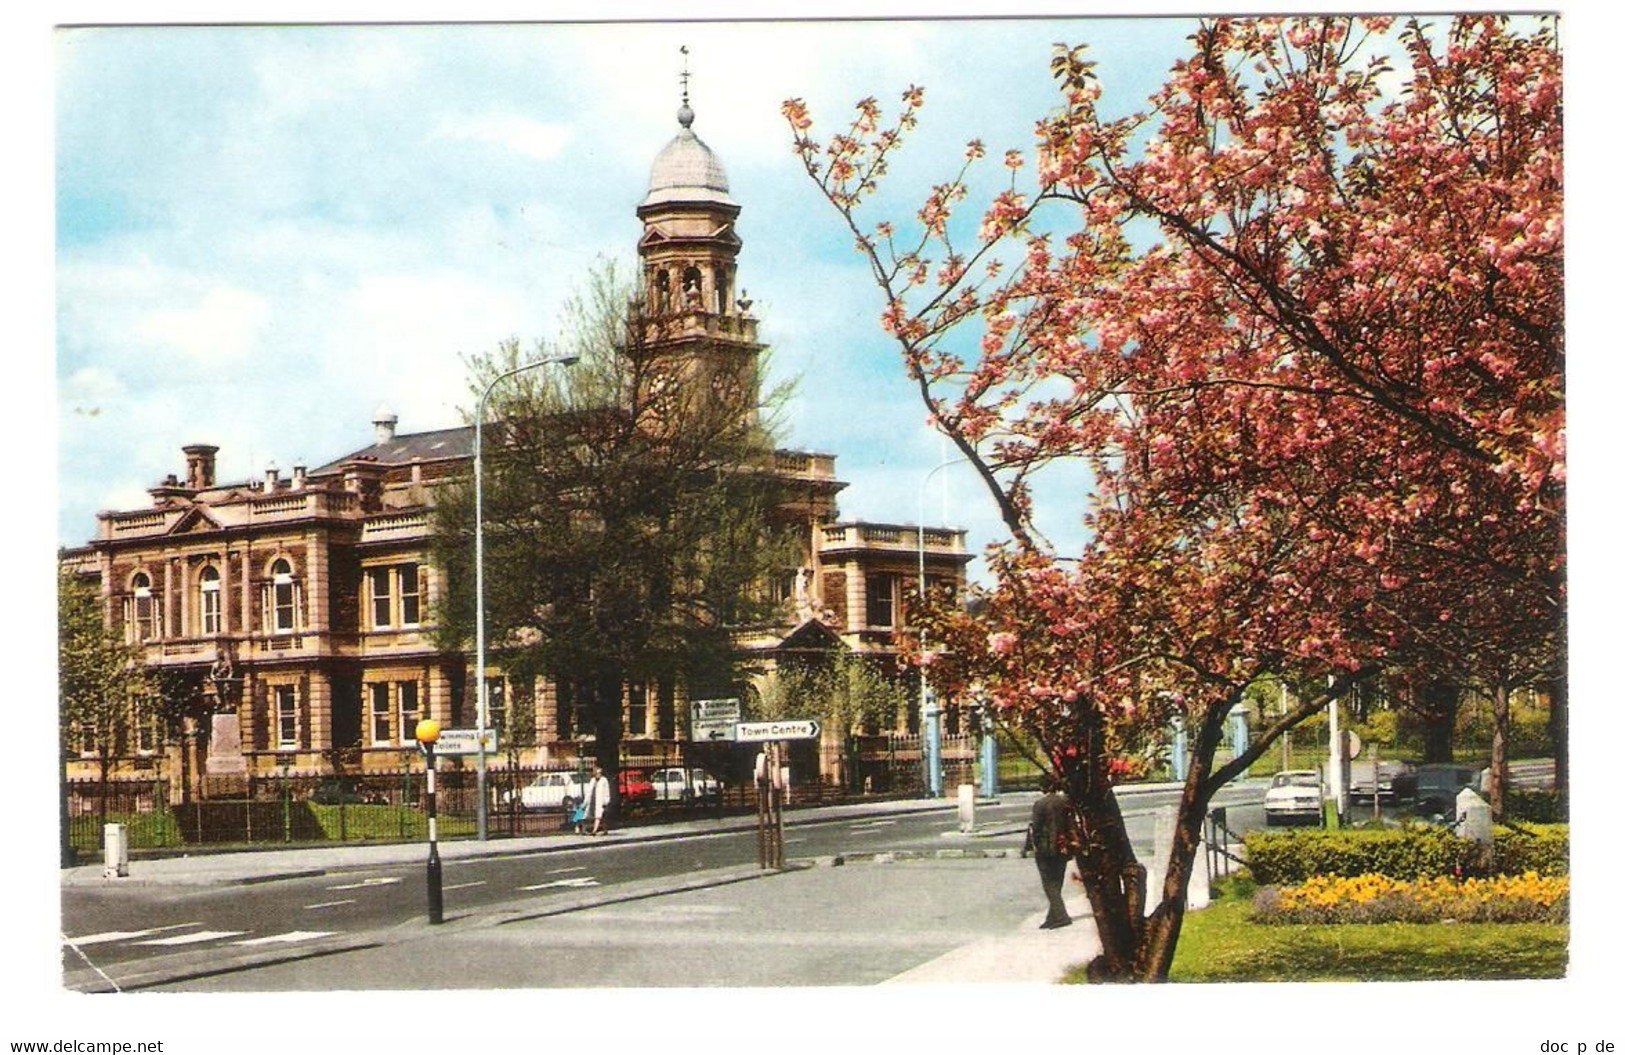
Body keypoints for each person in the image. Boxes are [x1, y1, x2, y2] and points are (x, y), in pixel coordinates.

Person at [1027, 775, 1077, 929]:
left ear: (1043, 787)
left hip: (1045, 848)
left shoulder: (1040, 804)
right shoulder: (1065, 803)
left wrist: (1033, 845)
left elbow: (1036, 828)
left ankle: (1061, 916)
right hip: (1062, 846)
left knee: (1049, 884)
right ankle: (1053, 916)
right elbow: (1071, 824)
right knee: (1057, 881)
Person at [583, 765, 612, 836]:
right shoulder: (592, 780)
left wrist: (606, 801)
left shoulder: (604, 780)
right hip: (592, 800)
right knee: (599, 817)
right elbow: (589, 791)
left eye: (600, 773)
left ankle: (594, 831)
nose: (598, 774)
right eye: (597, 773)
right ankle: (605, 830)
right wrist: (586, 801)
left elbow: (607, 791)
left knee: (598, 816)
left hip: (600, 801)